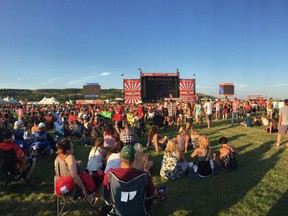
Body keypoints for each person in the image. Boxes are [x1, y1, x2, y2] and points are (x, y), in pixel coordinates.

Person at [103, 145, 157, 212]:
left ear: (120, 157)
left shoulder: (110, 173)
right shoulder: (143, 175)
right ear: (134, 159)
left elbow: (106, 193)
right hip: (138, 211)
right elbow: (154, 194)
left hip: (118, 210)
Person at [54, 139, 103, 209]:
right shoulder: (69, 157)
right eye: (72, 148)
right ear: (67, 150)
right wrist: (83, 189)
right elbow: (74, 176)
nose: (73, 149)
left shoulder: (57, 158)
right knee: (101, 182)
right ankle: (95, 205)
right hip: (73, 188)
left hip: (62, 187)